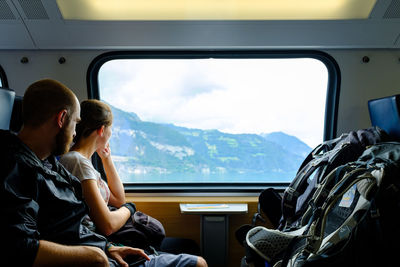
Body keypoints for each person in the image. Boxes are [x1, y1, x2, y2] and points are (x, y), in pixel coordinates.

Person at [0, 79, 207, 267]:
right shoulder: (13, 168)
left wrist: (108, 247)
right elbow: (19, 247)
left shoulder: (47, 163)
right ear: (62, 118)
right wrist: (96, 256)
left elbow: (73, 227)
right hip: (92, 259)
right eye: (75, 123)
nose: (74, 133)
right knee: (198, 264)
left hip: (101, 250)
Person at [59, 99, 132, 237]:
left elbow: (118, 199)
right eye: (111, 128)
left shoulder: (83, 161)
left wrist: (107, 160)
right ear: (102, 130)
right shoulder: (77, 162)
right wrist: (129, 209)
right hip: (93, 238)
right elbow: (107, 226)